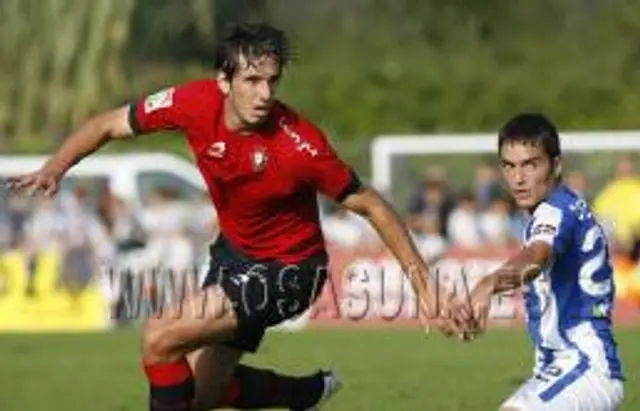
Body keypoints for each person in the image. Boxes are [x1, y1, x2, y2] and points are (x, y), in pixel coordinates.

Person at [8, 23, 471, 411]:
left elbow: (373, 205)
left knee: (160, 337)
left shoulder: (300, 145)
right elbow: (109, 123)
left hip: (291, 271)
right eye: (252, 81)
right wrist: (55, 167)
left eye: (272, 81)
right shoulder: (191, 103)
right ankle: (301, 392)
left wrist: (424, 286)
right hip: (233, 256)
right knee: (200, 393)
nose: (264, 93)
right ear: (223, 82)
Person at [465, 113, 624, 410]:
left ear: (557, 165)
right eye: (509, 166)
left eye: (530, 164)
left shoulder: (555, 211)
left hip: (584, 366)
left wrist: (488, 285)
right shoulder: (559, 206)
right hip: (557, 369)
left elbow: (536, 256)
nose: (518, 178)